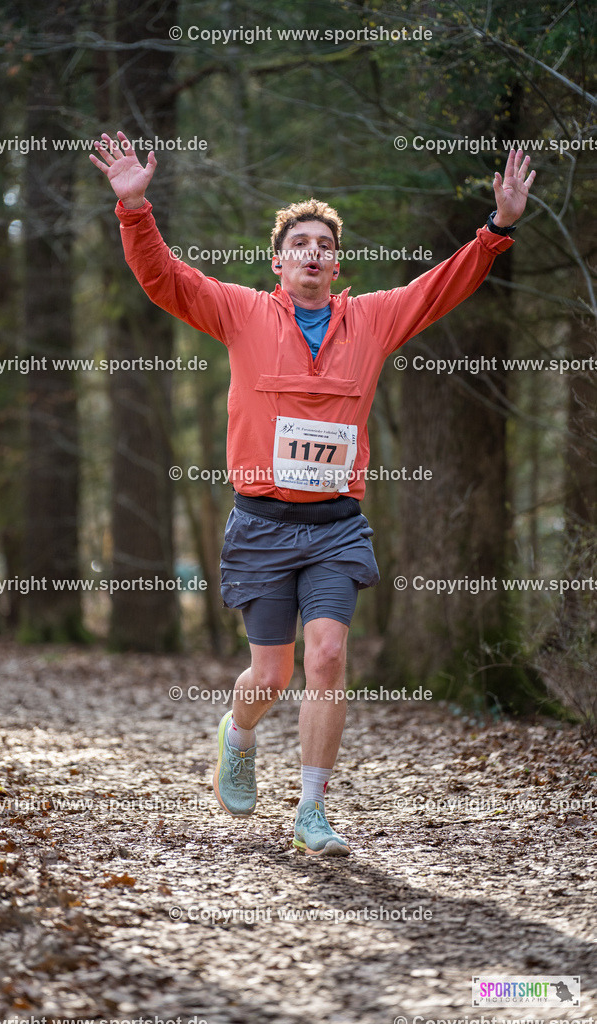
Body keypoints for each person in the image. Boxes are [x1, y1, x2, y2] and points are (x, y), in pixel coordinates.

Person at [90, 136, 535, 857]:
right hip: (262, 523)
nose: (310, 253)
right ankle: (237, 734)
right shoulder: (239, 313)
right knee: (272, 673)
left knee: (326, 655)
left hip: (335, 526)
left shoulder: (376, 319)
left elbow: (440, 285)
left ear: (336, 263)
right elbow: (164, 279)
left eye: (322, 245)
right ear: (277, 262)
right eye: (297, 243)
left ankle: (311, 809)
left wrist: (496, 230)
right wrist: (133, 206)